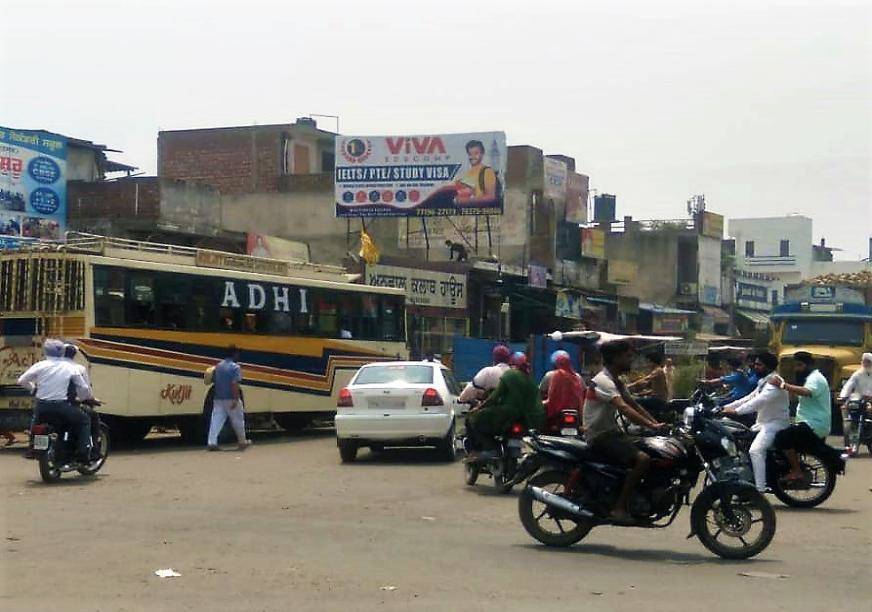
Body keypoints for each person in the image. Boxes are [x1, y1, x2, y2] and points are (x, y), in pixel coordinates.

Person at [583, 340, 666, 522]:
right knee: (642, 459)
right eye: (628, 357)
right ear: (615, 358)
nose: (631, 361)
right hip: (600, 436)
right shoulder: (603, 381)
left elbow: (633, 403)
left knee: (653, 448)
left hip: (612, 432)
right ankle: (619, 508)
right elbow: (624, 408)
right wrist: (651, 426)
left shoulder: (616, 381)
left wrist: (657, 425)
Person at [771, 352, 845, 484]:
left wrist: (784, 386)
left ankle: (796, 470)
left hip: (814, 425)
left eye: (799, 365)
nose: (797, 369)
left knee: (782, 437)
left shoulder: (815, 378)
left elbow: (807, 392)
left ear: (809, 365)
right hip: (809, 423)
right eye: (795, 366)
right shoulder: (810, 378)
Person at [722, 352, 790, 492]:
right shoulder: (764, 381)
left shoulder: (774, 382)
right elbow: (749, 397)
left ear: (769, 367)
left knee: (755, 451)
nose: (755, 366)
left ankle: (758, 491)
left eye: (759, 364)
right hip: (762, 423)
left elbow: (759, 401)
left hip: (774, 424)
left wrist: (737, 412)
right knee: (741, 442)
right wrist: (726, 407)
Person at [17, 339, 94, 462]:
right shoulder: (70, 367)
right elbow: (83, 387)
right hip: (62, 406)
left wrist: (33, 390)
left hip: (42, 406)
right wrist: (85, 398)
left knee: (36, 420)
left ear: (46, 351)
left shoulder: (40, 365)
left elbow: (21, 381)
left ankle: (32, 446)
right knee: (85, 420)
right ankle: (83, 452)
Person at [465, 352, 544, 452]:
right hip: (526, 419)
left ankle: (489, 447)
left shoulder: (509, 375)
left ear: (512, 363)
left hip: (506, 414)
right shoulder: (530, 380)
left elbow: (494, 397)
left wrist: (478, 408)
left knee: (473, 420)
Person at [207, 346, 251, 451]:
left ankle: (212, 442)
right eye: (237, 354)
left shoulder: (218, 366)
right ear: (235, 354)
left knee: (216, 421)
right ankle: (242, 442)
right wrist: (236, 399)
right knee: (238, 421)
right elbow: (234, 384)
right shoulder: (235, 367)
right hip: (231, 398)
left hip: (218, 398)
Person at [62, 343, 102, 447]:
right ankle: (87, 449)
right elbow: (84, 388)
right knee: (89, 418)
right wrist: (90, 398)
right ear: (74, 355)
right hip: (69, 405)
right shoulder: (78, 369)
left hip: (46, 404)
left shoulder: (51, 367)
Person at [837, 352, 872, 452]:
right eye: (864, 362)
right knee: (848, 410)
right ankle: (851, 437)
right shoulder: (857, 374)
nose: (866, 364)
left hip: (871, 400)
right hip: (858, 398)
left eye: (868, 362)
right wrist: (843, 397)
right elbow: (849, 385)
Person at [543, 352, 585, 429]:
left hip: (556, 412)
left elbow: (544, 393)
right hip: (576, 412)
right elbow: (583, 393)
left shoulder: (552, 375)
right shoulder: (577, 376)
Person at [627, 352, 669, 420]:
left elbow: (645, 379)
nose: (647, 364)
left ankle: (642, 420)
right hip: (657, 398)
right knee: (638, 398)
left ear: (652, 362)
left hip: (659, 400)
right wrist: (640, 394)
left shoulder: (657, 371)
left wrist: (628, 386)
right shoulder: (657, 371)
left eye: (648, 362)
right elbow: (655, 389)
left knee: (634, 401)